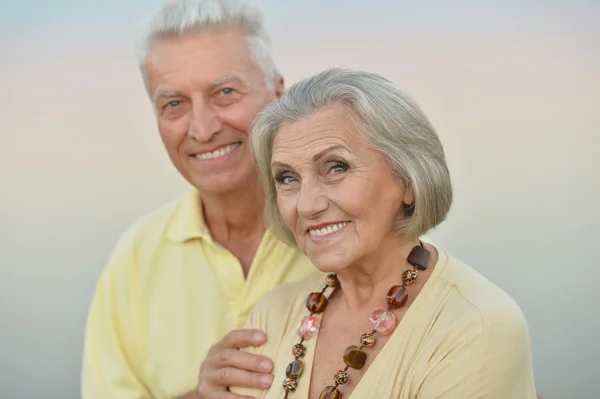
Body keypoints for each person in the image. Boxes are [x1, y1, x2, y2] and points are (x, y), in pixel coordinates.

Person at [227, 68, 538, 398]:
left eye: (336, 167)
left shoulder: (477, 326)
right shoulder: (273, 314)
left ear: (407, 180)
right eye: (287, 178)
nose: (305, 206)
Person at [80, 0, 323, 397]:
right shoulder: (137, 257)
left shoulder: (355, 231)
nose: (202, 128)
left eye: (225, 92)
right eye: (174, 104)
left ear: (279, 93)